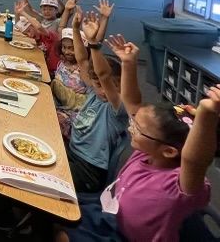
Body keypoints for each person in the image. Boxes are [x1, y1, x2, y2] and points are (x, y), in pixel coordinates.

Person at [56, 35, 216, 242]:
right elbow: (132, 102)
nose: (131, 129)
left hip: (123, 237)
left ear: (168, 150)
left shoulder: (178, 184)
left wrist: (206, 116)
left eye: (138, 129)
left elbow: (195, 160)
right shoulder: (144, 154)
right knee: (58, 222)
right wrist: (129, 63)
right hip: (109, 214)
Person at [55, 8, 128, 193]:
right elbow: (82, 61)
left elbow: (103, 75)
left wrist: (94, 43)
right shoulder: (93, 91)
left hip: (89, 170)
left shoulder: (116, 107)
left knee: (45, 176)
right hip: (72, 152)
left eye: (111, 85)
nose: (103, 89)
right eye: (98, 83)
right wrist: (75, 28)